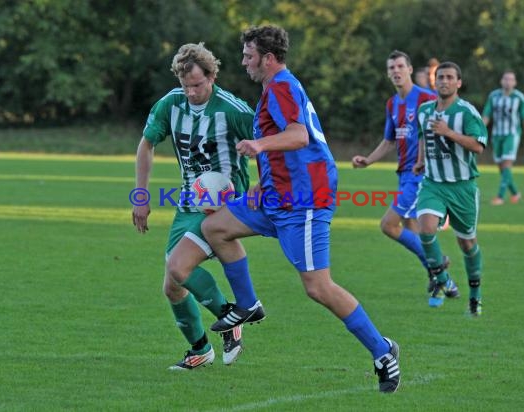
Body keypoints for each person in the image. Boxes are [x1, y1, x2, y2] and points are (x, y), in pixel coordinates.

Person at [198, 25, 400, 393]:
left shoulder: (282, 86)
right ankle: (247, 305)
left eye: (248, 56)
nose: (243, 62)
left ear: (268, 58)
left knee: (318, 287)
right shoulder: (272, 91)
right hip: (276, 196)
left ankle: (383, 351)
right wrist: (261, 184)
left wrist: (258, 144)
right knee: (215, 228)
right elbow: (286, 148)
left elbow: (299, 136)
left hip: (304, 202)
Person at [132, 43, 255, 370]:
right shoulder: (171, 105)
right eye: (186, 86)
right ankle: (200, 349)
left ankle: (230, 318)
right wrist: (141, 196)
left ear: (212, 76)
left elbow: (268, 148)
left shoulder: (234, 110)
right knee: (172, 286)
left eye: (198, 85)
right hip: (189, 202)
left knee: (177, 266)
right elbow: (146, 144)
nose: (192, 92)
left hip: (225, 206)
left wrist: (257, 179)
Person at [352, 50, 453, 295]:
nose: (396, 71)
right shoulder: (392, 103)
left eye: (400, 66)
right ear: (388, 73)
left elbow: (443, 133)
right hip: (404, 175)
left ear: (409, 69)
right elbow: (389, 141)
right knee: (412, 229)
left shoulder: (427, 99)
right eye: (391, 68)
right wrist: (368, 160)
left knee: (388, 225)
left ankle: (437, 264)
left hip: (421, 175)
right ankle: (443, 279)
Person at [413, 62, 487, 316]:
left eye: (449, 77)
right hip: (433, 184)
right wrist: (420, 160)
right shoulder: (424, 111)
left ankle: (475, 298)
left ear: (458, 83)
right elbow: (423, 135)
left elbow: (478, 146)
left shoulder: (466, 112)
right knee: (425, 228)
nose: (444, 81)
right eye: (440, 77)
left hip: (463, 187)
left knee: (467, 244)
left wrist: (449, 133)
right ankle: (443, 280)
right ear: (434, 82)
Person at [482, 70, 524, 205]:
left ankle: (500, 197)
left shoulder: (519, 97)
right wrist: (480, 132)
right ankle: (516, 193)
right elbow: (486, 115)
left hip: (512, 135)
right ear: (501, 81)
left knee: (506, 163)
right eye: (506, 79)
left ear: (515, 82)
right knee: (502, 167)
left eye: (511, 79)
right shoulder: (493, 96)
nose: (508, 82)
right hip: (497, 135)